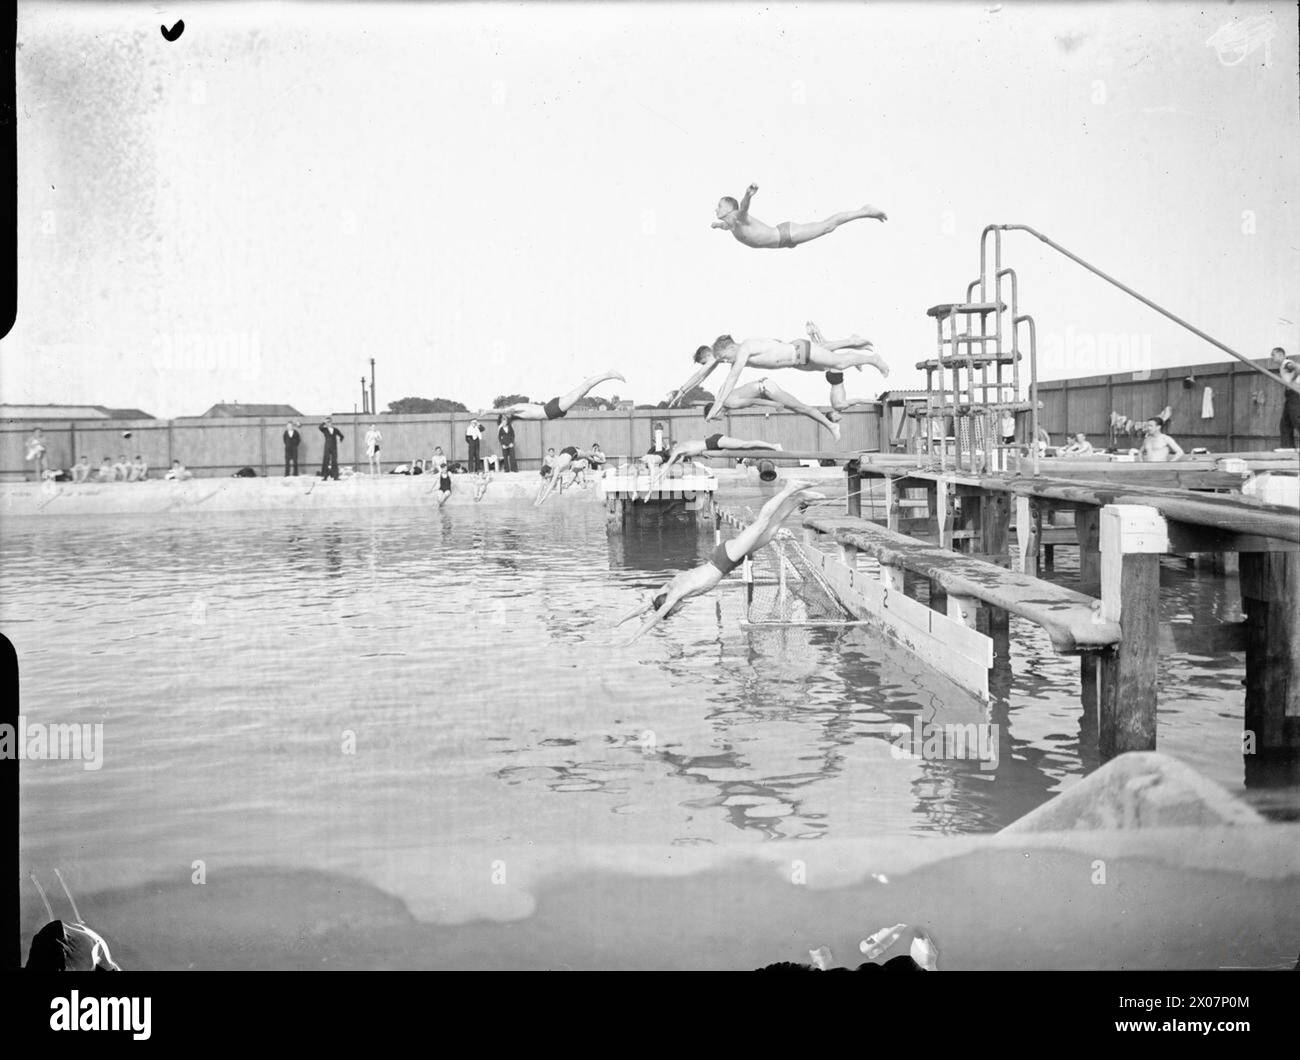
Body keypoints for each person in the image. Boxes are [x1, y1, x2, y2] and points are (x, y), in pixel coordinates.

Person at [615, 480, 821, 643]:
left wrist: (634, 637)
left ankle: (788, 490)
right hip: (725, 562)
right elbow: (646, 606)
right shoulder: (667, 588)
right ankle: (796, 500)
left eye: (674, 611)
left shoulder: (675, 593)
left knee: (760, 525)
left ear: (669, 606)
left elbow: (655, 617)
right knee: (769, 534)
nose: (678, 611)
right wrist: (620, 622)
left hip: (723, 559)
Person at [672, 326, 889, 411]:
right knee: (827, 359)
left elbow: (710, 374)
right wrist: (683, 389)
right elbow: (703, 374)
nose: (722, 362)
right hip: (795, 359)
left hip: (796, 352)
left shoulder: (722, 353)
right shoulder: (725, 355)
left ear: (707, 354)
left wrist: (687, 392)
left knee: (838, 362)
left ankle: (873, 359)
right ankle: (850, 341)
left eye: (708, 361)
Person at [712, 183, 887, 249]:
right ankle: (864, 211)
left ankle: (865, 211)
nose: (716, 209)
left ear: (729, 207)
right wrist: (718, 226)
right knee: (827, 226)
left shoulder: (737, 217)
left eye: (719, 206)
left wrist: (748, 195)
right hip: (783, 240)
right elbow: (728, 226)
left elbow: (743, 209)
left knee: (828, 226)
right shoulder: (731, 224)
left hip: (786, 234)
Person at [705, 378, 843, 441]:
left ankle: (832, 425)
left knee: (802, 408)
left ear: (716, 411)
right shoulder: (722, 398)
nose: (720, 419)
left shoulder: (730, 403)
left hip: (766, 389)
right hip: (764, 388)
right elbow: (751, 401)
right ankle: (831, 425)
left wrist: (774, 405)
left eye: (717, 417)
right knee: (800, 410)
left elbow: (754, 400)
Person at [484, 370, 625, 422]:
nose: (505, 417)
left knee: (582, 390)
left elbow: (502, 411)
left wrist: (487, 412)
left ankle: (608, 375)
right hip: (552, 411)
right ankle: (606, 376)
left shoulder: (514, 408)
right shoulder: (516, 413)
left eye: (505, 416)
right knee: (582, 392)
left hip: (551, 409)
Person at [536, 445, 603, 505]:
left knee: (585, 454)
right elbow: (544, 481)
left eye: (547, 476)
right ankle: (590, 458)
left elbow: (550, 486)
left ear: (548, 472)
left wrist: (542, 501)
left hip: (571, 451)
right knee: (582, 457)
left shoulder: (557, 468)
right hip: (564, 453)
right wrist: (538, 497)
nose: (548, 477)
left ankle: (599, 455)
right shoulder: (550, 466)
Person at [1269, 346, 1300, 448]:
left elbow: (1298, 368)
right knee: (1285, 424)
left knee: (1296, 420)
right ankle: (1288, 448)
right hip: (1290, 395)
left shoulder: (1286, 363)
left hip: (1295, 395)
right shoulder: (1283, 365)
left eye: (1273, 354)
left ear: (1281, 355)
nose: (1272, 357)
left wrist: (1292, 382)